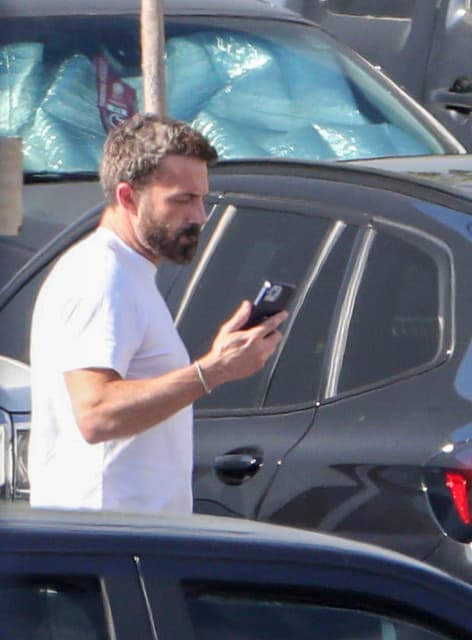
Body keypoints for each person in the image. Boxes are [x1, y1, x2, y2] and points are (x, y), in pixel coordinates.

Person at [28, 113, 286, 514]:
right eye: (182, 199)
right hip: (108, 543)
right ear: (128, 196)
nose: (200, 216)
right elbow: (96, 413)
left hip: (131, 542)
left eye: (201, 198)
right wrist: (213, 370)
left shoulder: (127, 273)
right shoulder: (101, 275)